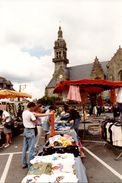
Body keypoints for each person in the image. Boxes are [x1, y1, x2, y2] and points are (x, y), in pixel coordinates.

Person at [22, 102, 52, 168]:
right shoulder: (30, 114)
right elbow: (35, 121)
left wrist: (48, 113)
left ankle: (24, 163)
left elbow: (38, 114)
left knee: (25, 148)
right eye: (33, 107)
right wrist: (36, 122)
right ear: (32, 107)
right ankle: (30, 164)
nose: (34, 108)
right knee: (31, 148)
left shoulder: (24, 112)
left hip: (25, 130)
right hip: (30, 130)